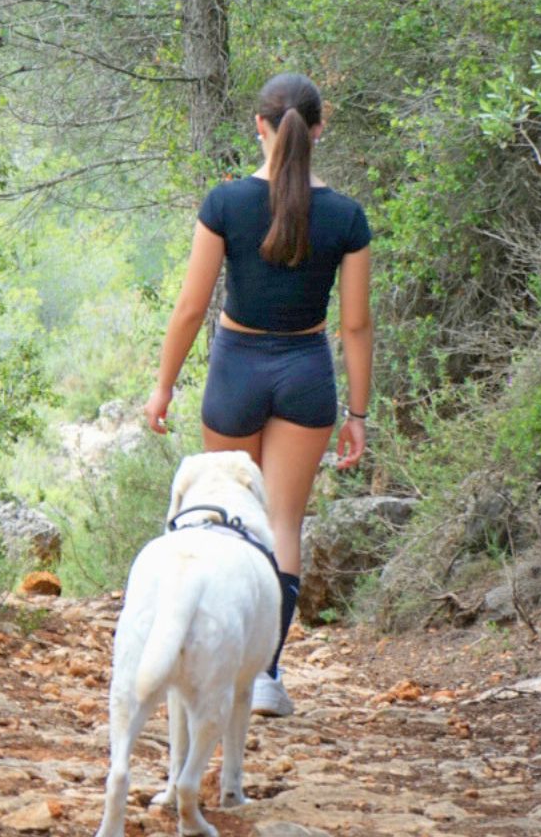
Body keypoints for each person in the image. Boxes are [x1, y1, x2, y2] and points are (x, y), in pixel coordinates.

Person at [142, 72, 372, 717]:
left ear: (260, 125)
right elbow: (356, 324)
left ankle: (211, 667)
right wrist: (358, 412)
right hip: (305, 373)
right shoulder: (347, 218)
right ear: (319, 129)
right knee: (283, 525)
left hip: (236, 371)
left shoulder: (225, 204)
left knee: (228, 521)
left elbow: (190, 307)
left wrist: (163, 386)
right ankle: (266, 673)